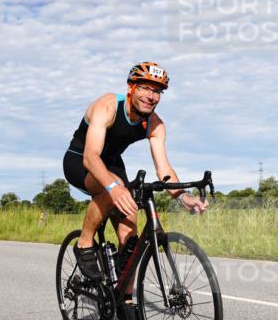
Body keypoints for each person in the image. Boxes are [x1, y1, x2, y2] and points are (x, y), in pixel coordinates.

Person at [63, 62, 207, 281]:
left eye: (157, 91)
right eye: (145, 88)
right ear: (131, 87)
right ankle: (84, 244)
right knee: (112, 187)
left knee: (131, 238)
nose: (152, 96)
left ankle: (126, 300)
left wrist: (183, 197)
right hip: (80, 158)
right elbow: (91, 157)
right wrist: (113, 188)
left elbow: (164, 169)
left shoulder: (155, 124)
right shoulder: (108, 106)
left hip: (112, 163)